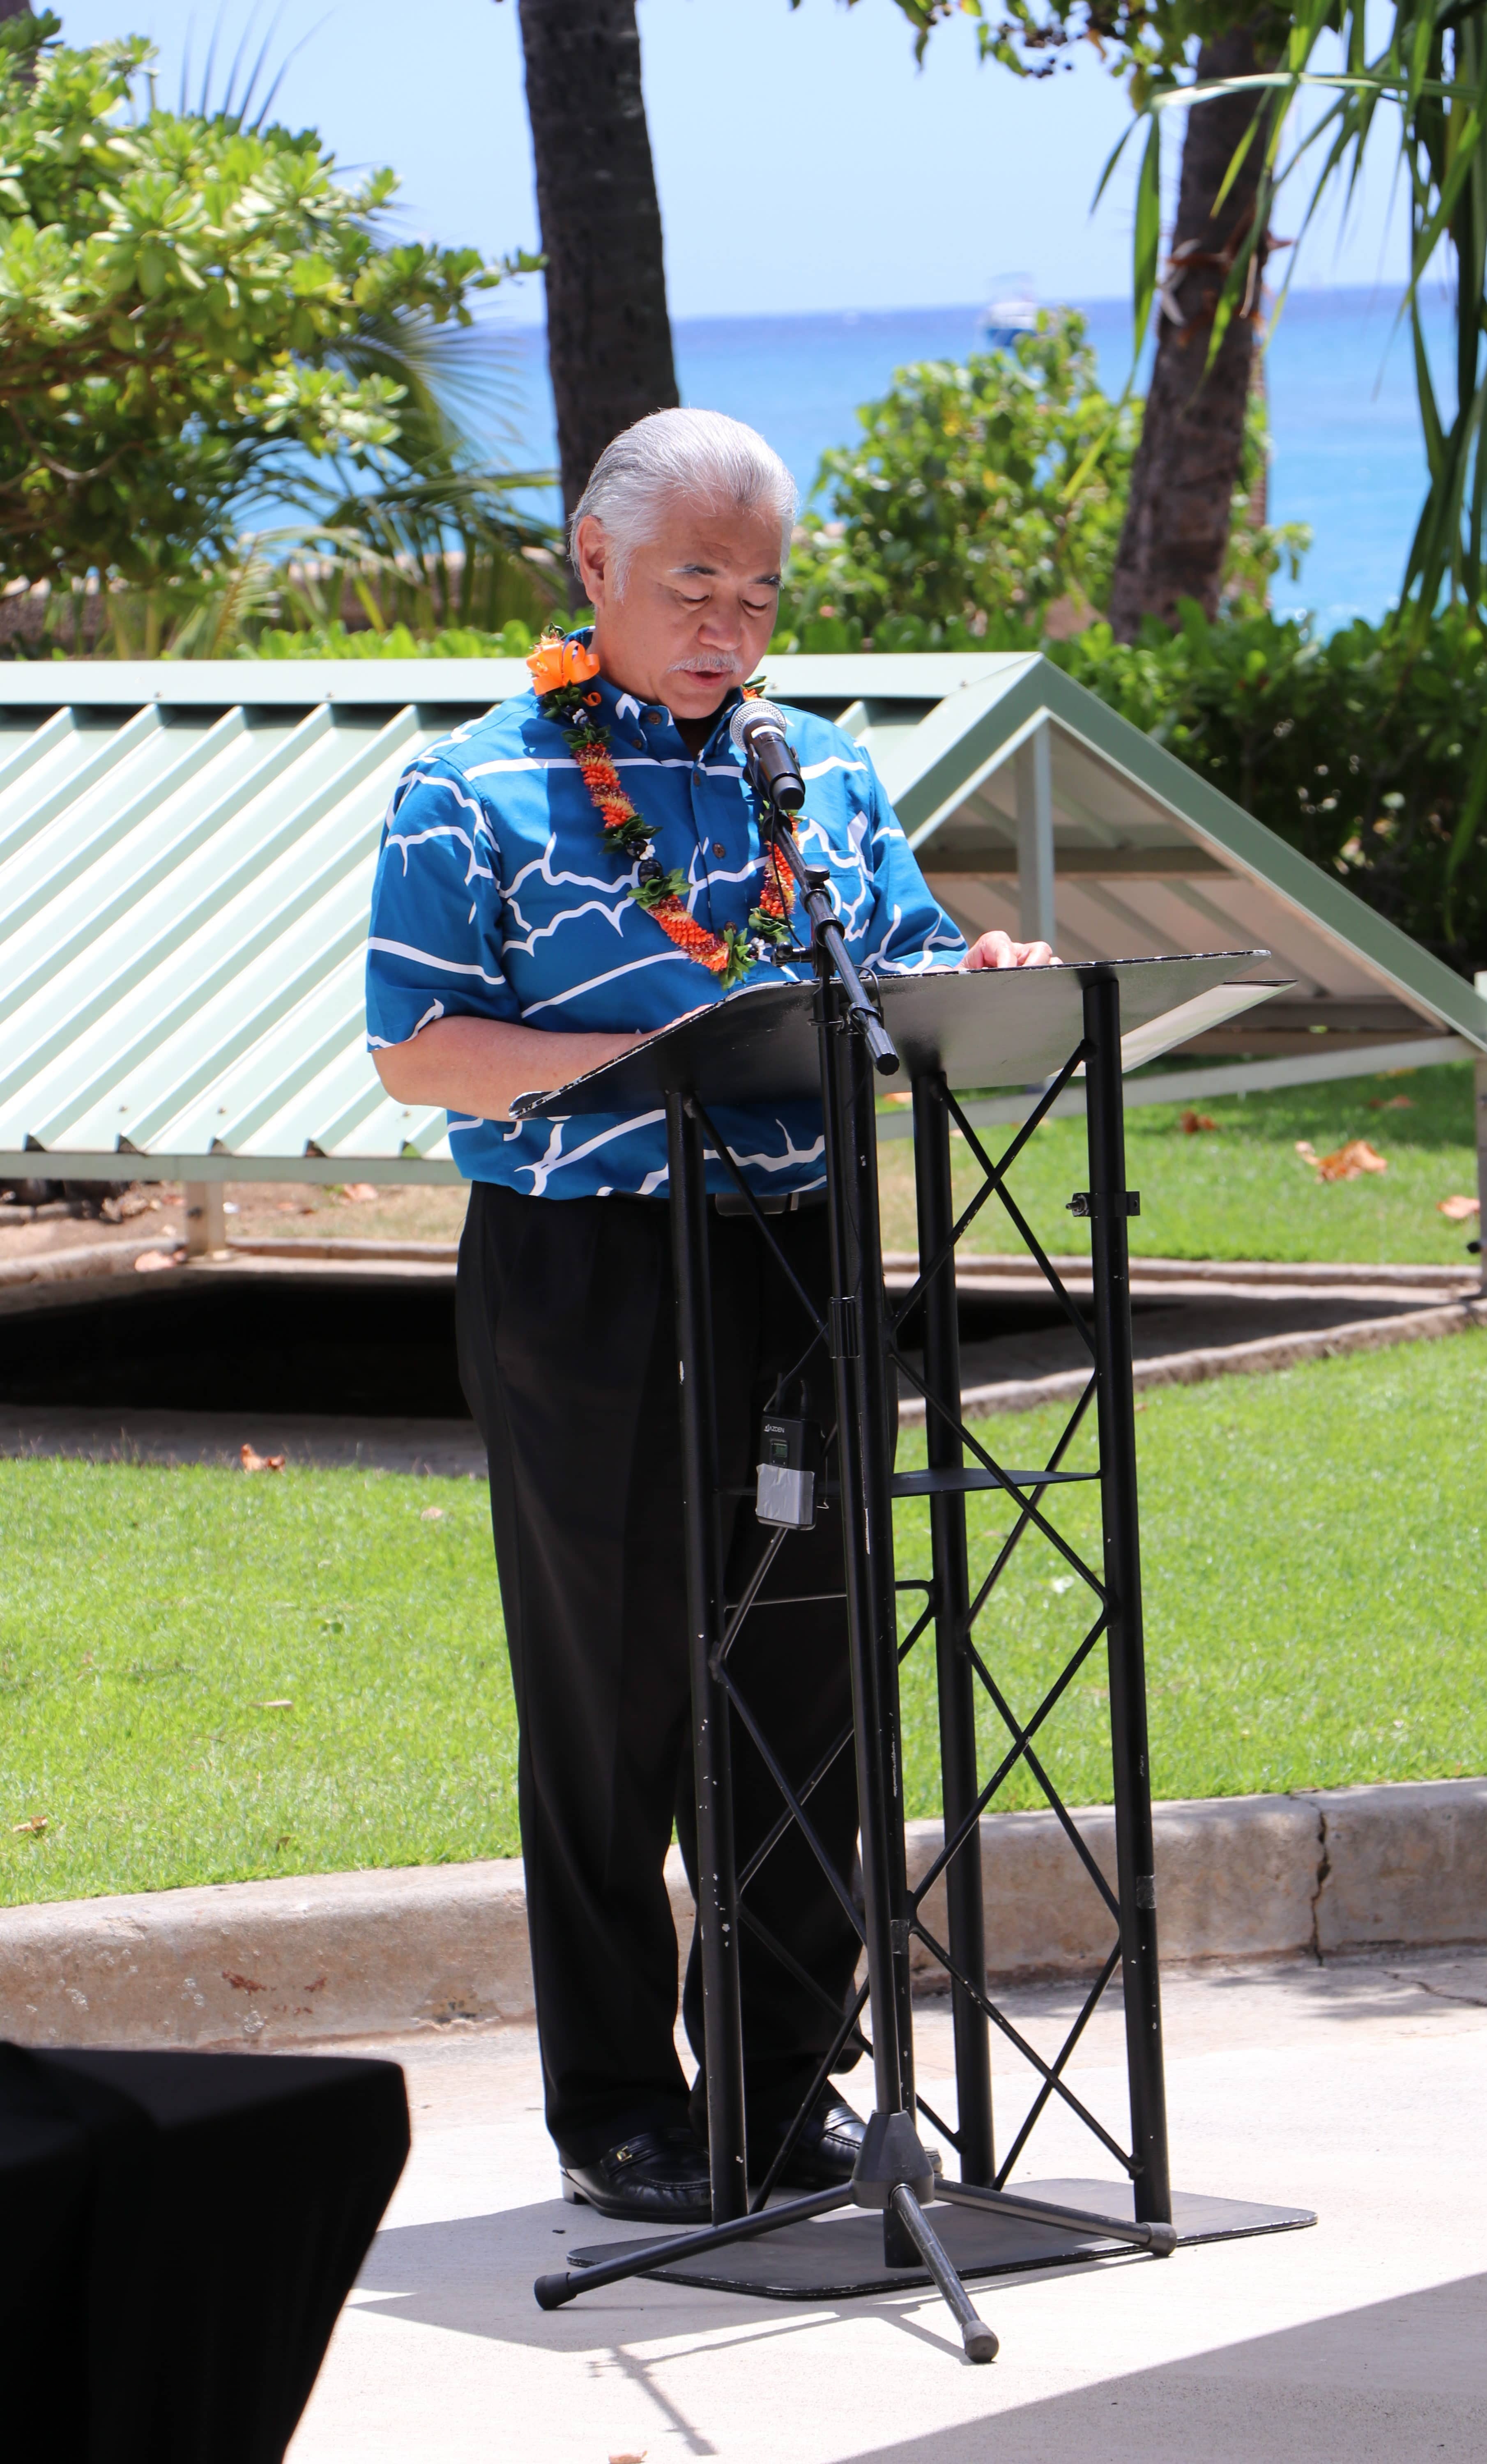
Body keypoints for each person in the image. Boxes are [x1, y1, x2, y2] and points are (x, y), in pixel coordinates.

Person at [366, 409, 1053, 2223]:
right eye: (693, 584)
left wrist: (972, 973)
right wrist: (649, 1066)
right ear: (590, 569)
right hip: (584, 1278)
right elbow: (415, 1047)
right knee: (612, 1700)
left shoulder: (817, 767)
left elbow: (891, 961)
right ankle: (619, 2111)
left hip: (793, 1259)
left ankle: (777, 2086)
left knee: (807, 1686)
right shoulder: (473, 784)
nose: (730, 623)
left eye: (757, 592)